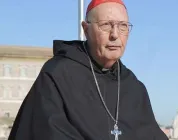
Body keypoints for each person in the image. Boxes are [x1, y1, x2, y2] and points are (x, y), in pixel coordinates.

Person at [8, 0, 168, 140]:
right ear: (86, 29)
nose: (115, 34)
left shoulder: (134, 87)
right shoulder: (57, 74)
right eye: (106, 25)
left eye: (123, 26)